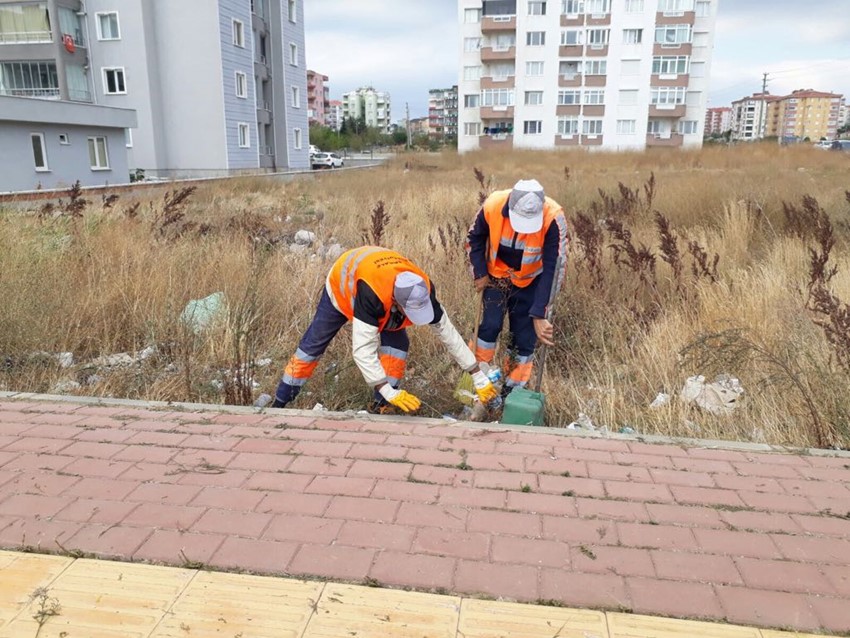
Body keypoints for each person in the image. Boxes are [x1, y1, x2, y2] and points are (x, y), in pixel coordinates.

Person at [271, 246, 498, 412]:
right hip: (342, 288)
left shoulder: (423, 288)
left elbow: (448, 333)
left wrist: (476, 373)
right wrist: (385, 387)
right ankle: (280, 402)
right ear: (396, 303)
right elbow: (362, 350)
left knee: (398, 345)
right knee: (313, 345)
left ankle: (381, 405)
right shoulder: (374, 295)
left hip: (380, 283)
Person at [466, 179, 568, 395]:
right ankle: (477, 379)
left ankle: (512, 392)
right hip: (495, 278)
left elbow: (554, 269)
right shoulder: (493, 205)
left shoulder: (553, 217)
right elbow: (474, 238)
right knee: (489, 326)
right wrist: (480, 273)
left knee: (523, 337)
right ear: (510, 207)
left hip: (531, 281)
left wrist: (540, 312)